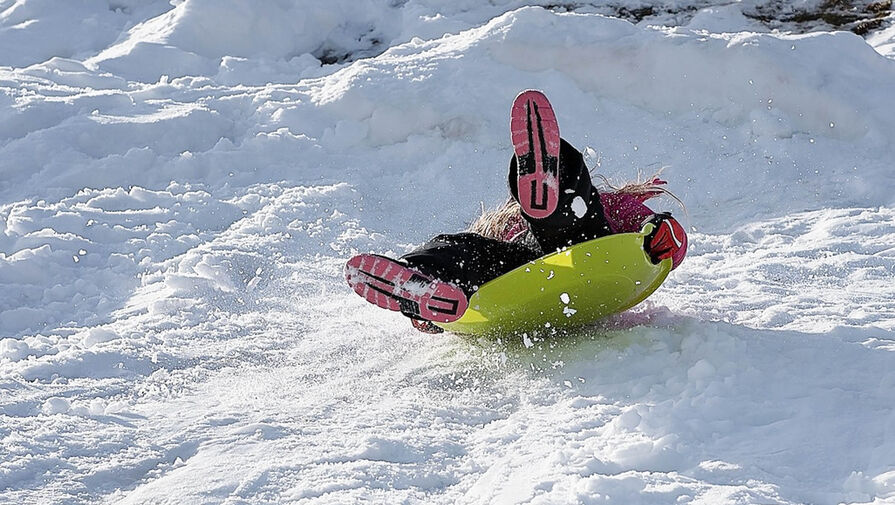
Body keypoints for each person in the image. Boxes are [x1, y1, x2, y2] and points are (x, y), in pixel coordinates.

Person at [345, 90, 687, 333]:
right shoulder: (506, 227)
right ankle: (422, 281)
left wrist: (664, 238)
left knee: (566, 220)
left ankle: (554, 182)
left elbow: (659, 235)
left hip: (589, 248)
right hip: (523, 274)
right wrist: (432, 314)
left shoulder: (611, 206)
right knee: (465, 249)